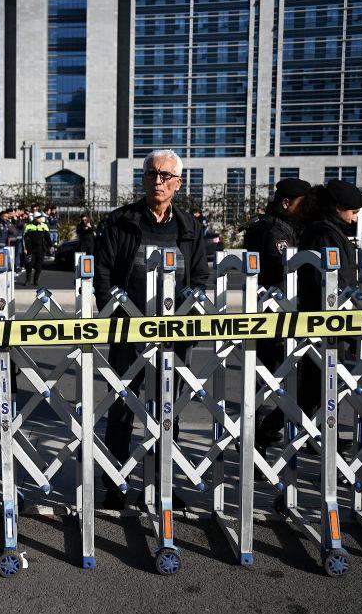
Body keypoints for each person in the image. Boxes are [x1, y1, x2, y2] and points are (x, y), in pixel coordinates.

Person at [94, 149, 210, 510]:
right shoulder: (120, 221)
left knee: (167, 409)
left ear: (178, 182)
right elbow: (103, 276)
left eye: (164, 176)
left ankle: (162, 482)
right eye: (150, 175)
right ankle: (114, 481)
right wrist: (115, 314)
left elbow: (201, 277)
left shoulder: (190, 227)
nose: (156, 181)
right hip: (128, 330)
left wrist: (192, 309)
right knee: (122, 406)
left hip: (173, 333)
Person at [265, 179, 362, 455]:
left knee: (316, 389)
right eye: (353, 211)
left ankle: (306, 434)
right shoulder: (324, 234)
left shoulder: (328, 230)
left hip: (325, 320)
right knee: (318, 388)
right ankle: (271, 432)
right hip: (324, 322)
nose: (355, 217)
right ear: (339, 208)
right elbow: (332, 282)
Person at [245, 178, 312, 454]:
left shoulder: (281, 227)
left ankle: (268, 436)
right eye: (302, 205)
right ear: (286, 203)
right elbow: (284, 272)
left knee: (273, 380)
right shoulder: (275, 232)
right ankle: (257, 442)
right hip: (274, 314)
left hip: (278, 314)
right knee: (267, 381)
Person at [23, 211, 50, 286]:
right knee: (30, 265)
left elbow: (47, 237)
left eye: (40, 217)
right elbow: (24, 238)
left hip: (41, 249)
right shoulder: (28, 226)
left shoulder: (44, 226)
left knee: (39, 266)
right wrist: (25, 248)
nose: (40, 218)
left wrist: (51, 246)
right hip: (31, 249)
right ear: (35, 218)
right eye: (39, 217)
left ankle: (36, 281)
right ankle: (27, 280)